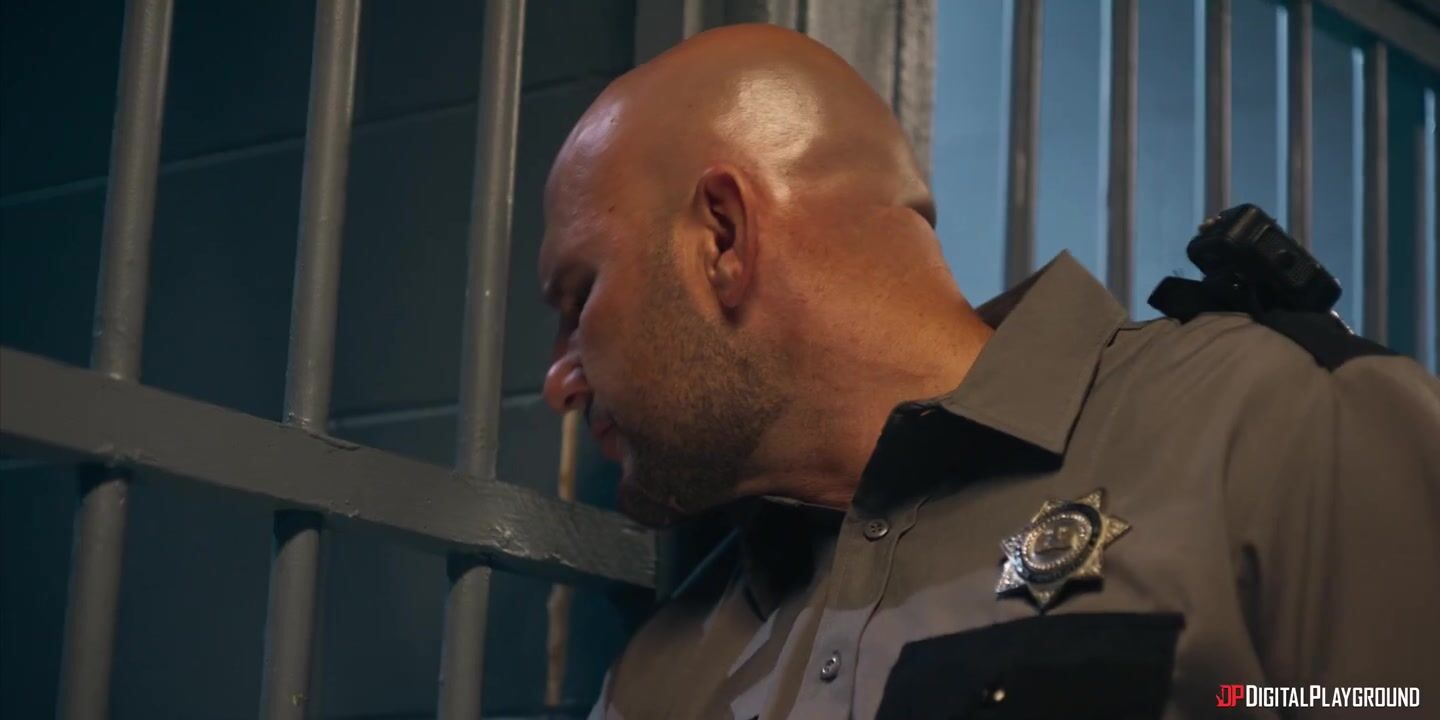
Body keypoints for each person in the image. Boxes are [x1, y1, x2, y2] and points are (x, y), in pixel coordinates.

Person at [537, 23, 1440, 720]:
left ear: (724, 238)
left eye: (579, 298)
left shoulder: (1278, 425)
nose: (559, 381)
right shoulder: (659, 676)